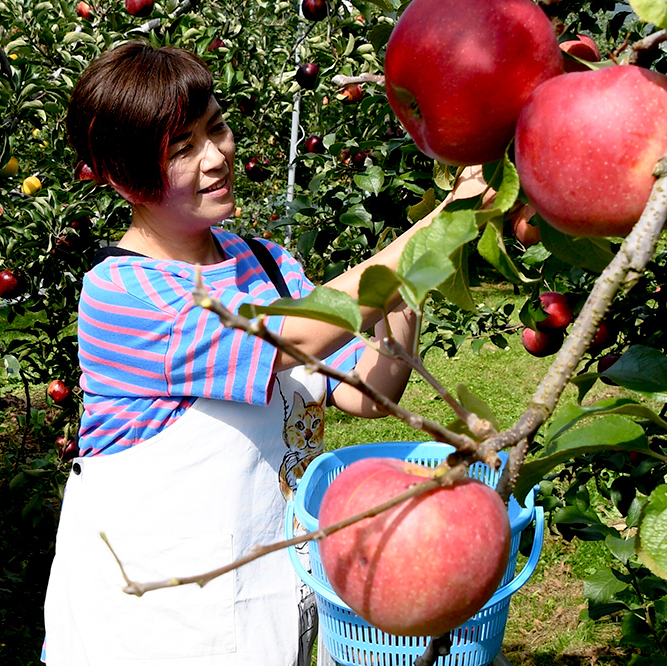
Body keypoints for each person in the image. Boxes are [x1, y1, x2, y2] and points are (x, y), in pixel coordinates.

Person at [42, 40, 490, 666]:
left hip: (267, 585)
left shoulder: (264, 263)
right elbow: (295, 340)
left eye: (216, 128)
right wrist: (439, 228)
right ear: (122, 178)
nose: (216, 156)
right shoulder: (124, 294)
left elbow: (364, 392)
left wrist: (406, 284)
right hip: (156, 617)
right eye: (181, 148)